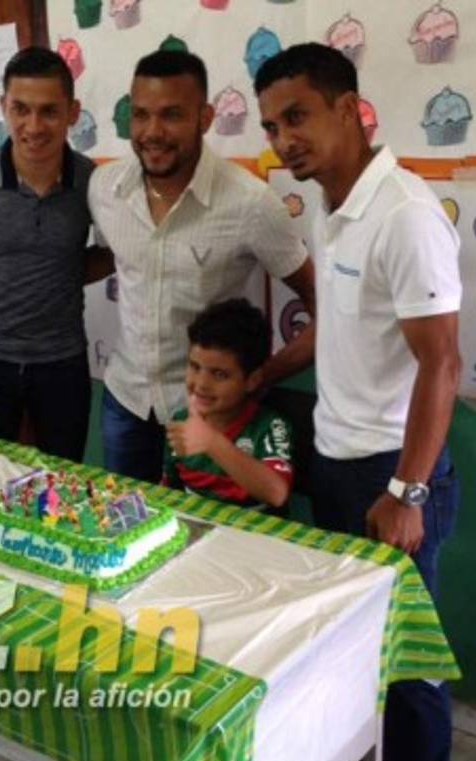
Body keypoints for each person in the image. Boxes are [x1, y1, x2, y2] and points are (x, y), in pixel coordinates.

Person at [257, 43, 462, 761]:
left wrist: (407, 492)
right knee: (345, 645)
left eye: (298, 117)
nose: (284, 138)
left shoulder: (404, 214)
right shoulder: (328, 208)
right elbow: (336, 329)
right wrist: (264, 373)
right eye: (274, 125)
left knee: (408, 658)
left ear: (350, 110)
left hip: (392, 473)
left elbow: (441, 362)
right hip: (335, 462)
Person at [88, 49, 316, 483]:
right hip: (126, 400)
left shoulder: (250, 204)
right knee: (123, 530)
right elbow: (108, 257)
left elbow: (321, 303)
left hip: (211, 417)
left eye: (171, 115)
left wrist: (261, 375)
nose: (152, 132)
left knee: (200, 542)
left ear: (206, 117)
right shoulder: (105, 188)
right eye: (140, 115)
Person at [0, 46, 95, 461]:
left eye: (49, 111)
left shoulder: (93, 183)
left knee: (63, 487)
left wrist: (61, 271)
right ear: (3, 107)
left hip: (64, 362)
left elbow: (121, 252)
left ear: (72, 112)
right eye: (20, 109)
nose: (33, 125)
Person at [162, 299, 294, 510]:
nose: (202, 384)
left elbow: (277, 493)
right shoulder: (181, 422)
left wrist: (210, 442)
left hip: (252, 539)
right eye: (195, 367)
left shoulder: (269, 426)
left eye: (219, 374)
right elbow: (169, 492)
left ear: (252, 380)